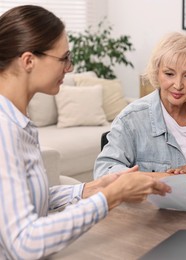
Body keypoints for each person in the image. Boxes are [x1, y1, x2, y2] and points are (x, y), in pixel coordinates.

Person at [0, 5, 171, 259]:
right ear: (28, 61)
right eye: (64, 58)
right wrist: (112, 196)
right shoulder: (5, 130)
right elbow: (25, 243)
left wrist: (90, 189)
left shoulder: (19, 122)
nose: (69, 68)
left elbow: (26, 200)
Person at [94, 32, 186, 180]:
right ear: (157, 72)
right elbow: (104, 171)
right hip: (153, 202)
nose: (178, 85)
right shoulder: (131, 119)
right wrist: (164, 178)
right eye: (169, 74)